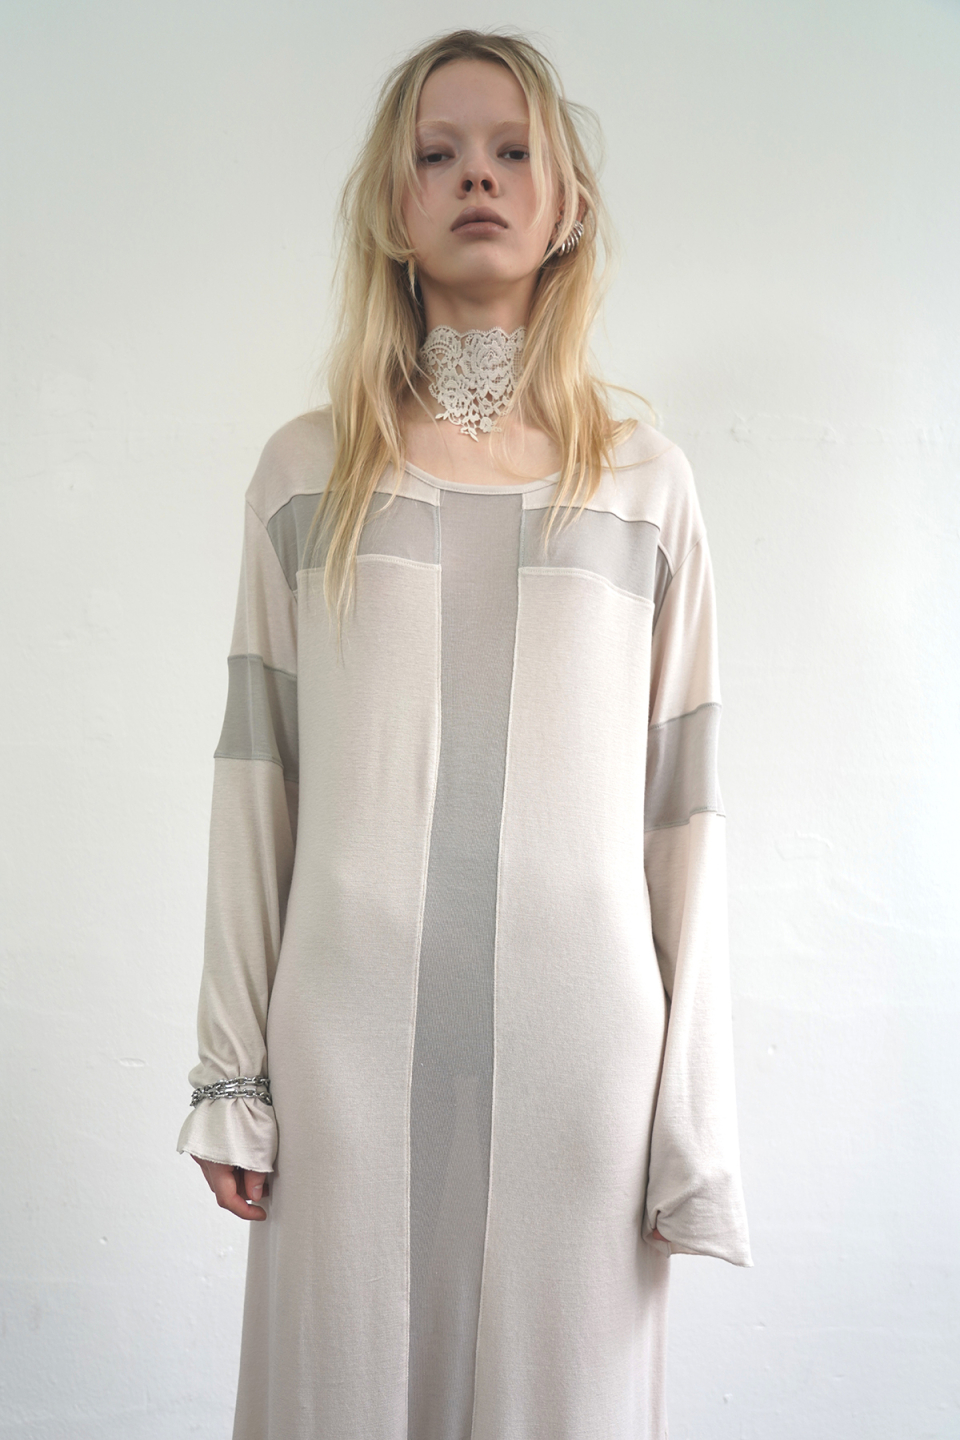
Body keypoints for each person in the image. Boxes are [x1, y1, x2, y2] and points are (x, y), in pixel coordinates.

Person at [177, 27, 752, 1440]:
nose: (476, 178)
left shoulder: (646, 485)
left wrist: (691, 1122)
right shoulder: (306, 476)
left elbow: (684, 813)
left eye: (511, 152)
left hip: (584, 1054)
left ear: (568, 207)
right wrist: (231, 1076)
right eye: (438, 155)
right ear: (394, 206)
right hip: (344, 1040)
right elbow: (257, 782)